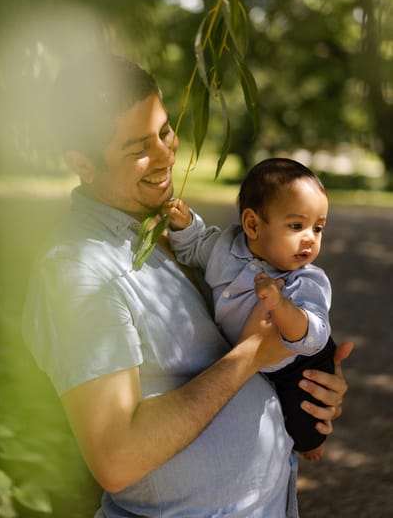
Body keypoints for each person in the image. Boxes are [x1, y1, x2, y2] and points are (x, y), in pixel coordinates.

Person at [22, 52, 353, 518]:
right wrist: (250, 356)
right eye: (138, 147)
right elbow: (117, 458)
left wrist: (310, 384)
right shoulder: (78, 273)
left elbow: (239, 345)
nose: (164, 155)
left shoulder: (171, 234)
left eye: (164, 131)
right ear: (83, 163)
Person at [163, 157, 335, 461]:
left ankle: (312, 446)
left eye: (318, 228)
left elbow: (313, 337)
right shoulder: (224, 248)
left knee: (306, 419)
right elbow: (194, 247)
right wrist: (185, 224)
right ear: (252, 225)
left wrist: (281, 306)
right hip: (250, 357)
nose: (310, 237)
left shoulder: (305, 280)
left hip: (296, 364)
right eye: (297, 225)